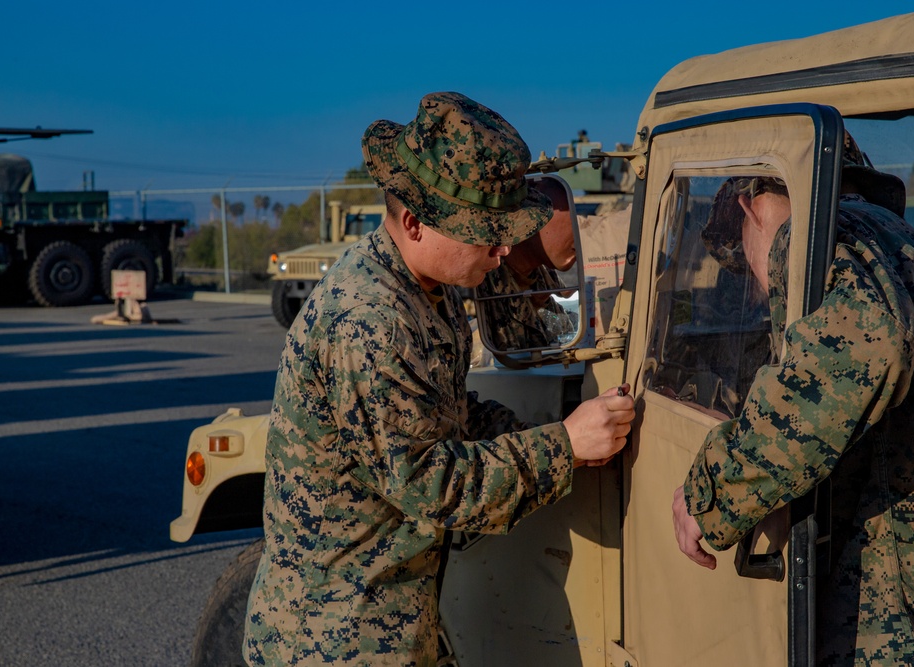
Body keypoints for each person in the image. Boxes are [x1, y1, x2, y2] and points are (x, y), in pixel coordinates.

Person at [244, 91, 635, 666]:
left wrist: (548, 433)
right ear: (414, 222)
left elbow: (446, 410)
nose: (504, 248)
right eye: (487, 232)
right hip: (338, 639)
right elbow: (434, 487)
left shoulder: (432, 289)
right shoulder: (369, 322)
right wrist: (563, 447)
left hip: (395, 618)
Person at [671, 131, 914, 664]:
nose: (758, 282)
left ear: (749, 208)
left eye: (745, 259)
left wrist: (713, 491)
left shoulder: (813, 238)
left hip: (902, 621)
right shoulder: (909, 246)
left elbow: (868, 345)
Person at [476, 175, 578, 350]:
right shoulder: (476, 282)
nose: (577, 236)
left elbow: (562, 330)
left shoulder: (546, 280)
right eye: (568, 215)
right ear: (530, 219)